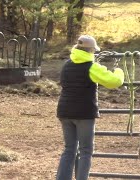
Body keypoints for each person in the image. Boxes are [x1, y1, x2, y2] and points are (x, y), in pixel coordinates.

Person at [55, 35, 124, 180]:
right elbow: (114, 82)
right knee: (85, 150)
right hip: (84, 114)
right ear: (90, 50)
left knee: (69, 149)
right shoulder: (92, 67)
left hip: (64, 112)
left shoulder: (67, 64)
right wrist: (119, 70)